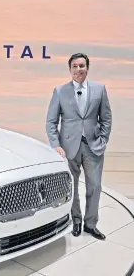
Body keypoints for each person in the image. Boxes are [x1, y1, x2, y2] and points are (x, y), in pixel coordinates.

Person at [46, 53, 112, 240]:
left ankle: (91, 224)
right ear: (70, 69)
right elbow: (51, 122)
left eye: (82, 66)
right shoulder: (60, 91)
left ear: (87, 68)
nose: (78, 69)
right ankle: (76, 220)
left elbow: (106, 118)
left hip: (93, 146)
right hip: (68, 148)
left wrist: (103, 139)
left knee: (95, 186)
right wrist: (56, 145)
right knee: (72, 187)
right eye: (75, 66)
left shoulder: (99, 89)